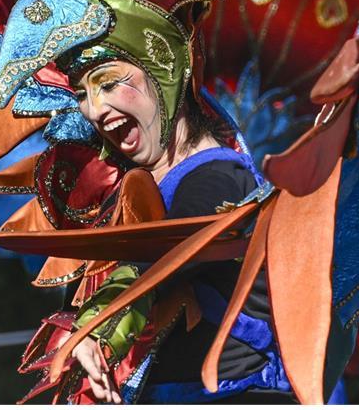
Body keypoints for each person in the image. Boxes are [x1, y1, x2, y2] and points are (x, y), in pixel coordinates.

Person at [64, 59, 289, 403]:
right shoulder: (134, 189)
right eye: (82, 94)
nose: (94, 111)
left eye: (108, 84)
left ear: (164, 74)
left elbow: (168, 253)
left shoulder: (217, 179)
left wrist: (100, 325)